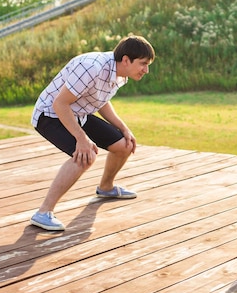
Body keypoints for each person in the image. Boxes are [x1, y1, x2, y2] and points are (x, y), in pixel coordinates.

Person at [29, 34, 155, 231]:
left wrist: (123, 128)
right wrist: (81, 139)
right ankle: (43, 212)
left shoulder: (120, 74)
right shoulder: (91, 67)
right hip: (50, 114)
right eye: (143, 64)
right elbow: (60, 104)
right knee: (85, 155)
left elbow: (100, 100)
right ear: (125, 60)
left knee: (124, 145)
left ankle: (106, 188)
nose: (146, 70)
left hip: (80, 113)